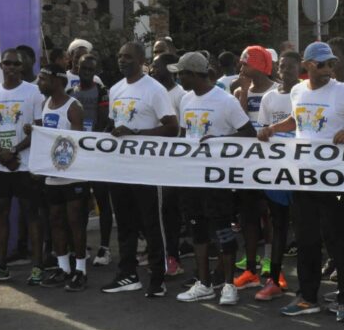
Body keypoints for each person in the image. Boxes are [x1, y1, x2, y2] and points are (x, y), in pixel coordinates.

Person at [257, 42, 344, 322]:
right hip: (304, 177)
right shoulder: (297, 91)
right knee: (307, 240)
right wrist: (273, 128)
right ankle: (307, 297)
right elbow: (296, 121)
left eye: (331, 64)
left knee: (340, 241)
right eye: (322, 65)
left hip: (336, 180)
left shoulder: (343, 92)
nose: (328, 70)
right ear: (307, 65)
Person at [173, 52, 256, 305]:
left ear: (195, 75)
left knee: (222, 231)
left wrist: (221, 141)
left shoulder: (225, 101)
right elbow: (184, 134)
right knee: (198, 231)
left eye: (182, 73)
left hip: (218, 178)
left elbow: (249, 133)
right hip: (192, 176)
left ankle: (229, 284)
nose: (179, 77)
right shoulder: (185, 99)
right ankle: (204, 283)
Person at [101, 42, 178, 298]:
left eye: (128, 57)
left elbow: (172, 127)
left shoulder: (154, 90)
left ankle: (158, 278)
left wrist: (136, 133)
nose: (122, 61)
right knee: (124, 223)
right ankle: (128, 274)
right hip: (119, 168)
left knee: (151, 223)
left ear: (141, 60)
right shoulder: (115, 89)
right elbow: (115, 124)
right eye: (119, 56)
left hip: (146, 169)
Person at [0, 49, 45, 285]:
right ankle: (0, 265)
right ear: (1, 65)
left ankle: (37, 267)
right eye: (7, 63)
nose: (11, 67)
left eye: (16, 64)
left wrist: (15, 151)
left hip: (25, 164)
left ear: (22, 67)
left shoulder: (34, 92)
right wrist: (1, 154)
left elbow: (39, 128)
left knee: (31, 214)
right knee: (1, 212)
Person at [34, 66, 89, 292]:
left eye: (43, 79)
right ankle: (63, 267)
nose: (39, 83)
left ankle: (81, 270)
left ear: (57, 81)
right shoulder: (44, 105)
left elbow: (76, 143)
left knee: (75, 222)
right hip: (51, 176)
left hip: (72, 177)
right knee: (55, 219)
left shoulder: (73, 107)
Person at [253, 50, 302, 302]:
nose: (285, 70)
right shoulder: (269, 97)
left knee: (305, 227)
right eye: (282, 66)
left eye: (290, 66)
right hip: (276, 172)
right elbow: (263, 129)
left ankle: (307, 284)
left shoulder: (306, 93)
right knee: (279, 224)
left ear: (300, 68)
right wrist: (264, 133)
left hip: (303, 172)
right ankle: (273, 278)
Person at [232, 46, 280, 293]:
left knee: (270, 215)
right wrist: (241, 95)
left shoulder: (276, 91)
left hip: (272, 163)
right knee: (249, 216)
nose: (241, 69)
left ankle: (271, 263)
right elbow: (240, 126)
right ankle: (250, 268)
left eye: (245, 64)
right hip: (247, 163)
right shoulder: (241, 91)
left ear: (260, 66)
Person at [69, 54, 113, 267]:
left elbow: (105, 121)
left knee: (103, 201)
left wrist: (91, 142)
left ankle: (105, 247)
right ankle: (82, 245)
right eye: (83, 68)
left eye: (90, 69)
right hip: (79, 156)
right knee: (81, 202)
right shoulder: (71, 93)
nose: (86, 72)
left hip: (97, 153)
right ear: (76, 68)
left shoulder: (101, 91)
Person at [149, 53, 186, 278]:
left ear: (169, 68)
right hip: (154, 160)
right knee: (157, 210)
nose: (152, 70)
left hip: (173, 161)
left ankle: (173, 256)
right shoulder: (154, 91)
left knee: (170, 211)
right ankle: (159, 253)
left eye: (156, 66)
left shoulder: (180, 95)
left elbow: (180, 130)